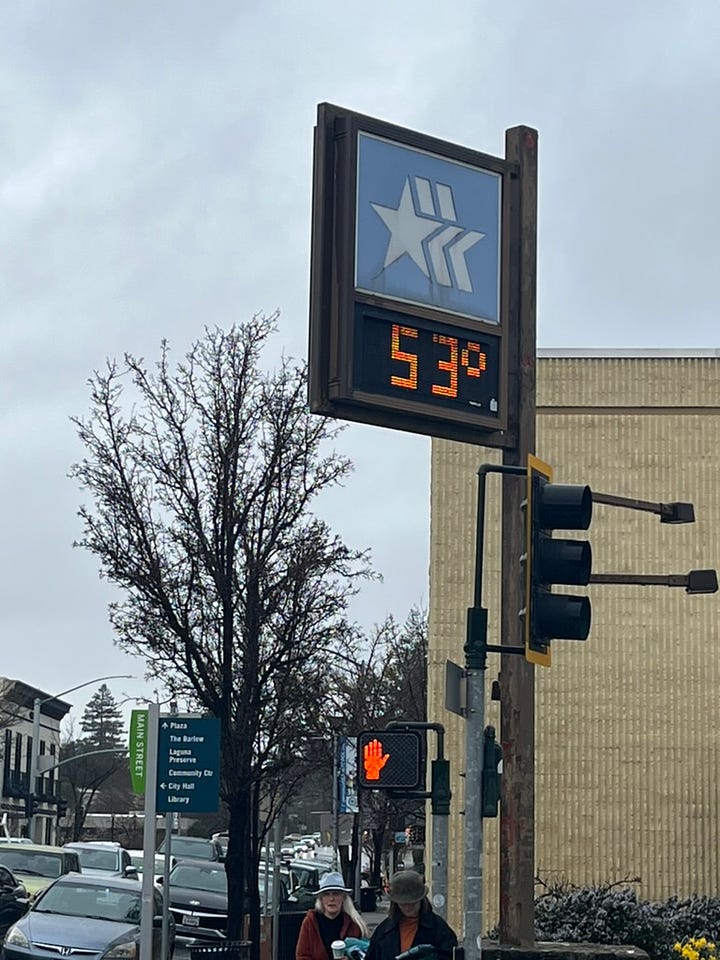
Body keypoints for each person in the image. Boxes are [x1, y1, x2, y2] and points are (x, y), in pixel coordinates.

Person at [365, 870, 457, 960]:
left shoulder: (438, 928)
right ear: (395, 903)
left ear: (421, 900)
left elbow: (450, 955)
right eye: (403, 904)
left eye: (412, 903)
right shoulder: (383, 931)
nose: (407, 908)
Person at [296, 871, 369, 960]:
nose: (331, 899)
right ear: (321, 899)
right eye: (326, 894)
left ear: (343, 897)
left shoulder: (354, 923)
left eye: (336, 894)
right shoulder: (310, 922)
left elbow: (365, 955)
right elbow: (302, 956)